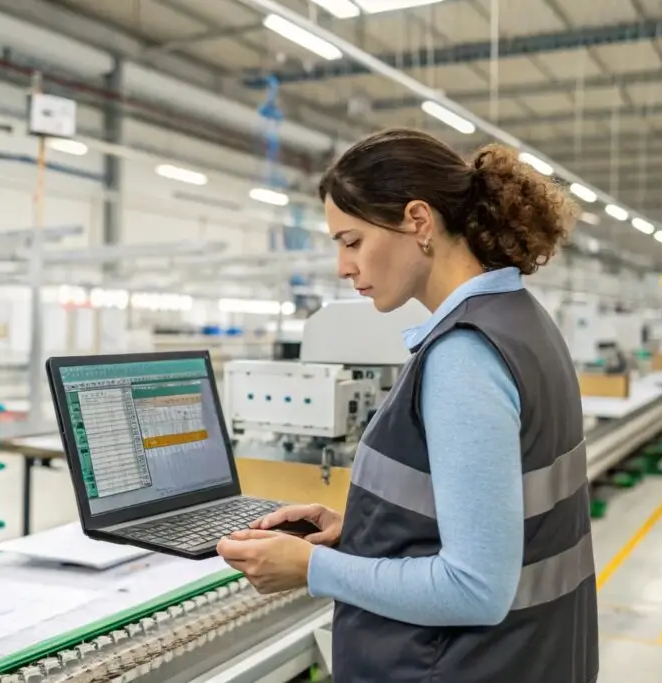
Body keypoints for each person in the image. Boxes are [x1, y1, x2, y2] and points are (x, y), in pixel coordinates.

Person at [217, 128, 599, 683]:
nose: (343, 268)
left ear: (418, 221)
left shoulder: (465, 354)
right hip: (531, 656)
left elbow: (475, 589)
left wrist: (313, 567)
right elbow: (492, 517)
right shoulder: (522, 321)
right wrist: (365, 532)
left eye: (352, 242)